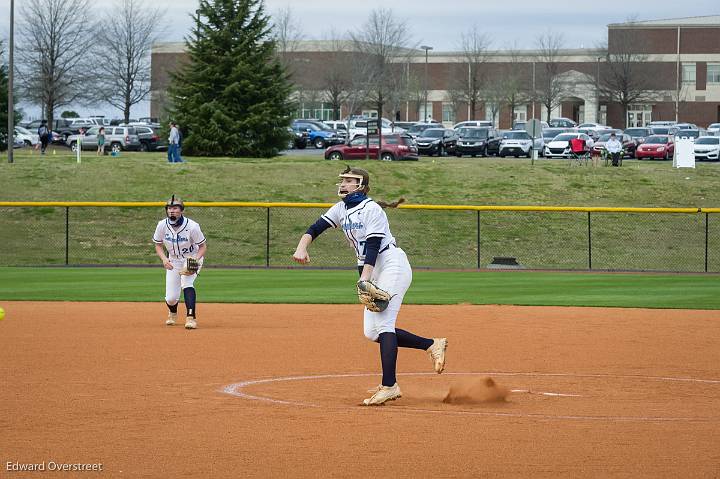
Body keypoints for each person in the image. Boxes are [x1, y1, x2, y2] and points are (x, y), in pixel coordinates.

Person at [292, 166, 448, 406]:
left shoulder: (371, 209)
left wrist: (365, 278)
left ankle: (389, 386)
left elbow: (373, 246)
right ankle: (431, 344)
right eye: (342, 180)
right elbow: (315, 228)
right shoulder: (341, 208)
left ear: (361, 185)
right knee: (372, 332)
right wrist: (302, 247)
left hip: (391, 264)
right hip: (373, 268)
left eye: (349, 180)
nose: (343, 184)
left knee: (385, 324)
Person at [153, 195, 207, 329]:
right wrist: (164, 259)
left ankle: (191, 318)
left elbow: (203, 246)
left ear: (181, 210)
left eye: (175, 208)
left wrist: (195, 260)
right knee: (171, 298)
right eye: (169, 208)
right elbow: (158, 244)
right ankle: (172, 313)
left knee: (187, 283)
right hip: (173, 260)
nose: (172, 210)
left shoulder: (192, 226)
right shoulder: (162, 225)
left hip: (191, 258)